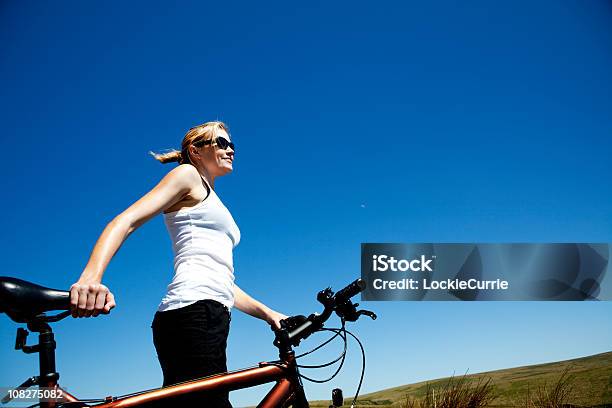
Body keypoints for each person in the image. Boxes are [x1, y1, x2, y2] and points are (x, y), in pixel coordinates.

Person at [69, 121, 287, 407]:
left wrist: (270, 314)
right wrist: (90, 277)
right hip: (193, 313)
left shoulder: (212, 197)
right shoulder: (187, 175)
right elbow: (127, 220)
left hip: (208, 312)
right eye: (221, 143)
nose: (230, 149)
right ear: (196, 152)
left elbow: (222, 282)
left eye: (232, 144)